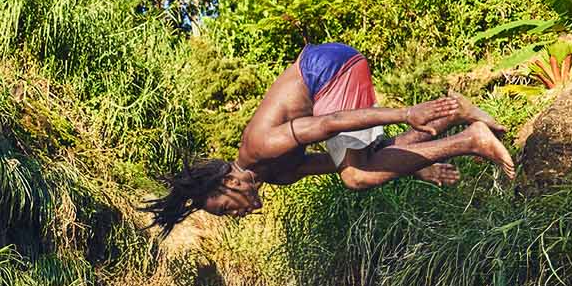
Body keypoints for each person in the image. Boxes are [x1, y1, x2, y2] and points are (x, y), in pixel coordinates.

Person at [142, 42, 516, 233]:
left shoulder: (259, 147)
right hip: (330, 75)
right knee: (359, 169)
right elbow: (369, 157)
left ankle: (473, 139)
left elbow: (330, 124)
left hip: (328, 69)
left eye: (226, 208)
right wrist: (418, 166)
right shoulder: (280, 174)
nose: (237, 214)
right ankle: (456, 111)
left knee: (356, 177)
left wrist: (407, 112)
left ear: (230, 181)